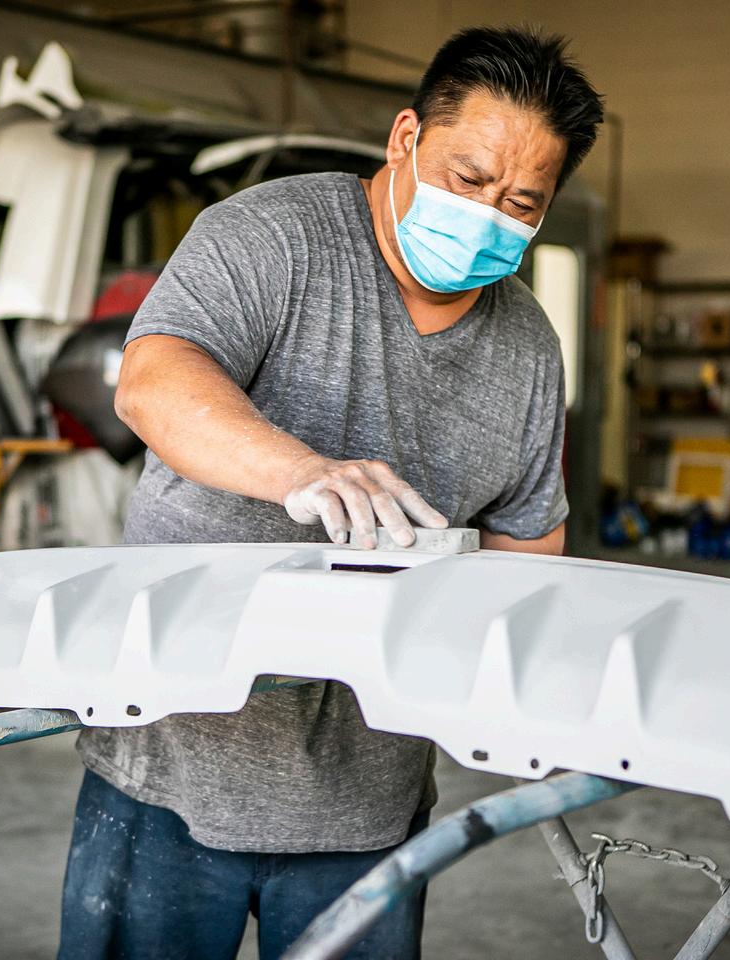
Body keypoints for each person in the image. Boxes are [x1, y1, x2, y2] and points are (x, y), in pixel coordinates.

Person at [58, 25, 604, 960]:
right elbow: (152, 382)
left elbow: (527, 546)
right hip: (170, 776)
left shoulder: (527, 348)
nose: (487, 215)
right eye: (468, 179)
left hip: (367, 805)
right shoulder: (273, 235)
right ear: (405, 138)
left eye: (521, 202)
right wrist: (303, 472)